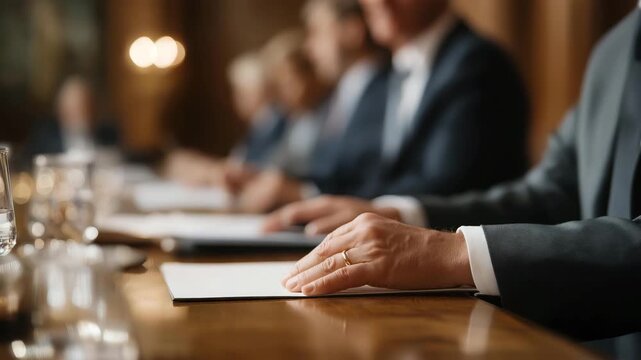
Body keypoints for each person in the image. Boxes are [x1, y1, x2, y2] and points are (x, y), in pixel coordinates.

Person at [270, 6, 641, 346]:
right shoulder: (613, 47)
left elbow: (446, 178)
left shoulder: (477, 63)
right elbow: (551, 193)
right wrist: (400, 215)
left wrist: (453, 252)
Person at [234, 0, 529, 213]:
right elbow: (365, 171)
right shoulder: (395, 69)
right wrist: (297, 188)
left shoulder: (476, 63)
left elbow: (446, 185)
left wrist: (306, 195)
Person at [20, 76, 119, 166]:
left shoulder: (107, 132)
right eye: (74, 107)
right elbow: (29, 165)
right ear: (61, 109)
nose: (79, 112)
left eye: (84, 105)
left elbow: (119, 162)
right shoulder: (45, 137)